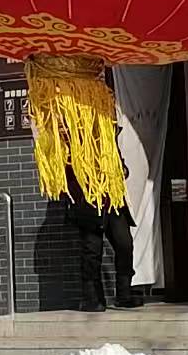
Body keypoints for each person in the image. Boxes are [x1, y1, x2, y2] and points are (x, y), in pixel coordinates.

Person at [57, 124, 140, 312]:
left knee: (124, 244)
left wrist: (122, 169)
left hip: (112, 200)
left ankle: (124, 294)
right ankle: (92, 298)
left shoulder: (107, 136)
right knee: (92, 251)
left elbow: (119, 162)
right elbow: (66, 171)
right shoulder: (73, 140)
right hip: (88, 202)